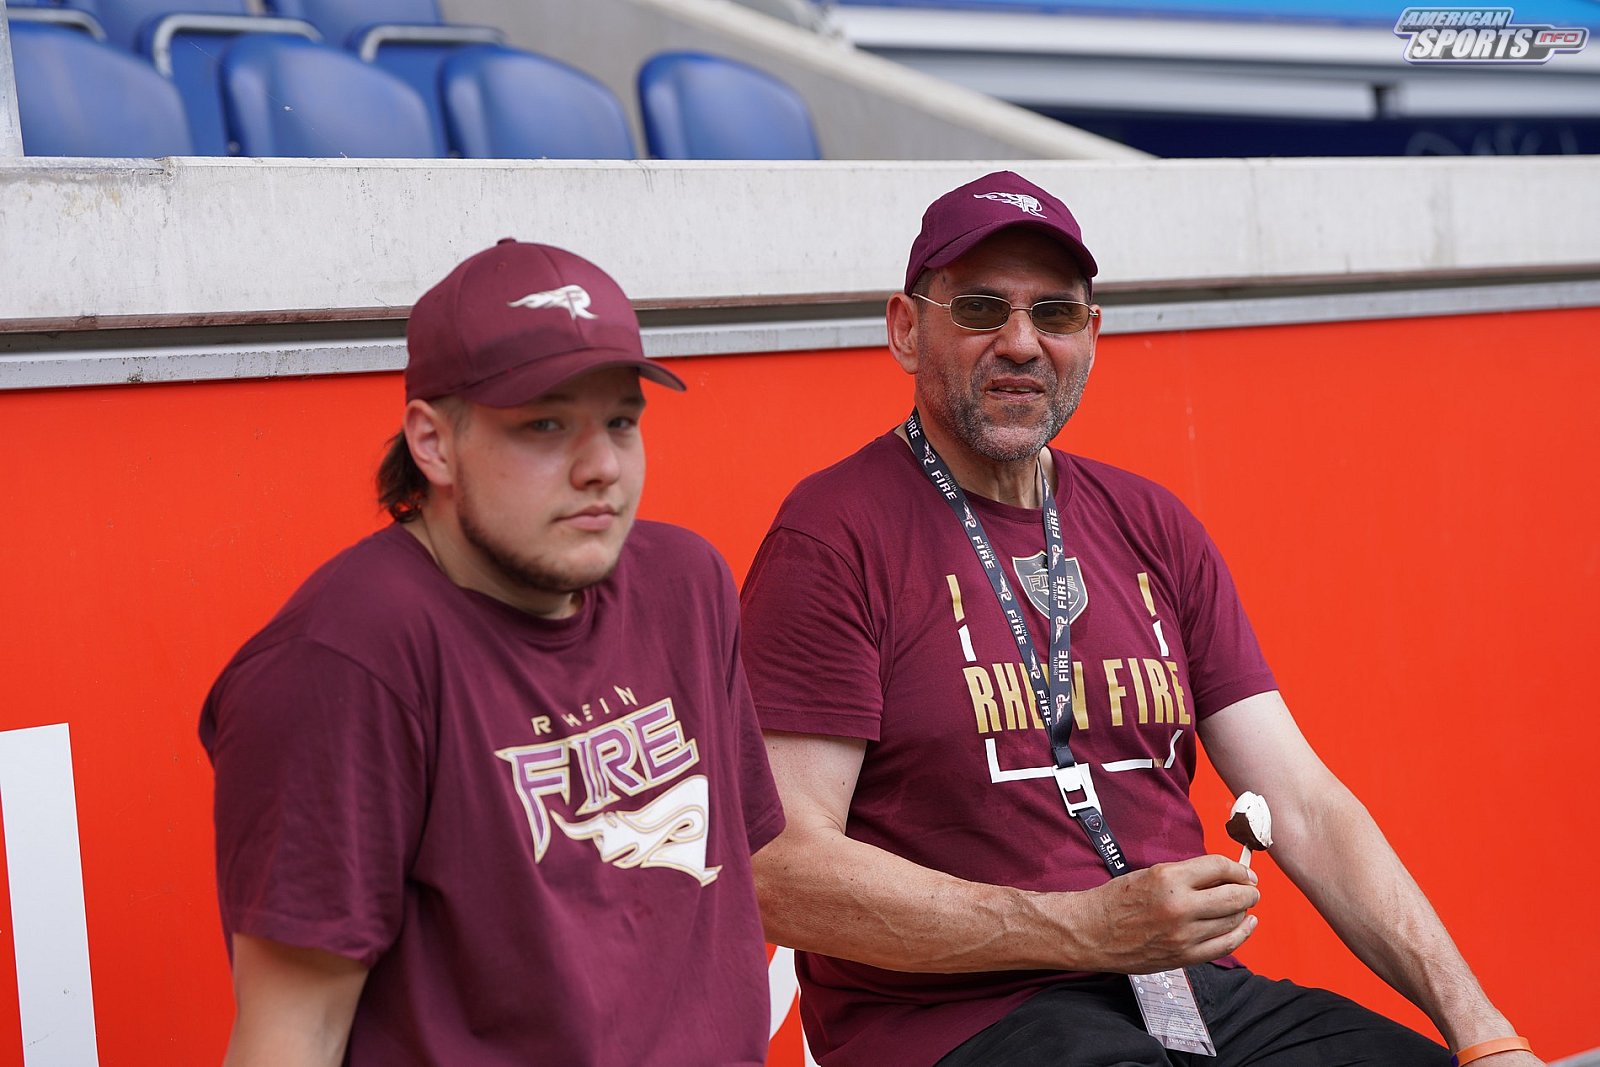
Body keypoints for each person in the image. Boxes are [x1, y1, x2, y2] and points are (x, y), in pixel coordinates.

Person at [739, 173, 1538, 1067]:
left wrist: (1485, 1033)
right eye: (980, 308)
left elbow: (1304, 803)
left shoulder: (1151, 522)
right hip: (957, 1022)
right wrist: (1083, 926)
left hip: (1185, 995)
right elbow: (778, 867)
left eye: (1054, 313)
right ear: (904, 328)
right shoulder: (834, 535)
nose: (1021, 343)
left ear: (1091, 335)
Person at [200, 239, 784, 1066]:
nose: (602, 466)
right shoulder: (343, 661)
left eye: (621, 421)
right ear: (433, 443)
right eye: (545, 423)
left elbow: (736, 884)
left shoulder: (685, 585)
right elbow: (294, 1031)